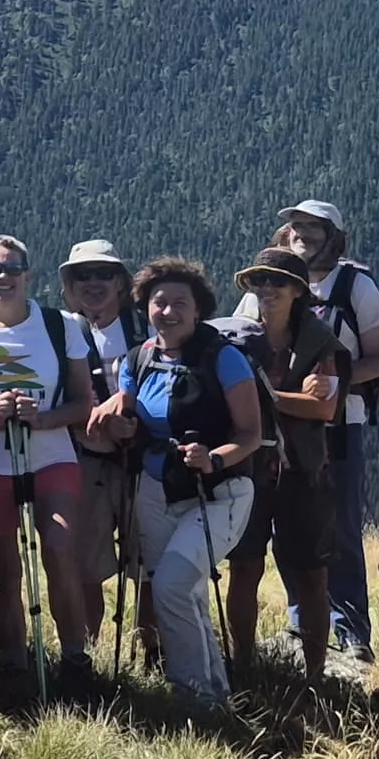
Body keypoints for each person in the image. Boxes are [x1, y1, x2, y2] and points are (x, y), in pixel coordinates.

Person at [82, 257, 258, 714]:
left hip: (219, 493)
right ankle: (214, 694)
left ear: (198, 310)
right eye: (160, 302)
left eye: (181, 303)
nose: (169, 311)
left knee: (172, 588)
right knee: (186, 592)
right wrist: (121, 424)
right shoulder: (138, 359)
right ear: (146, 307)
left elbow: (250, 435)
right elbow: (129, 419)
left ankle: (192, 696)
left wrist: (213, 458)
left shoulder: (225, 358)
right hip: (155, 489)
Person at [0, 238, 87, 689]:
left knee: (59, 550)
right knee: (5, 574)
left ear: (28, 274)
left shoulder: (62, 326)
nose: (3, 277)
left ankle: (75, 661)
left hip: (51, 456)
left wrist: (42, 418)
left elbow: (83, 402)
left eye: (12, 269)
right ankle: (15, 666)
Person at [278, 200, 379, 660]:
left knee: (339, 528)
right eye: (296, 226)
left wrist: (331, 384)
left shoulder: (355, 286)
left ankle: (351, 636)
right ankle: (302, 626)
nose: (301, 234)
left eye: (312, 227)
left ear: (334, 236)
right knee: (287, 529)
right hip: (285, 425)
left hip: (340, 423)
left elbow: (378, 360)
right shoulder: (273, 280)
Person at [222, 252, 343, 682]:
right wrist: (294, 400)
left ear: (297, 291)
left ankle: (314, 675)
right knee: (244, 567)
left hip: (302, 472)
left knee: (311, 575)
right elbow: (310, 405)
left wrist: (266, 397)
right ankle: (243, 664)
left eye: (277, 282)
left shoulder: (318, 340)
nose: (267, 289)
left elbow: (325, 409)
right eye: (260, 281)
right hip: (249, 468)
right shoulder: (235, 338)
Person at [49, 239, 142, 693]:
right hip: (85, 460)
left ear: (122, 283)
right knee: (85, 565)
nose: (92, 283)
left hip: (143, 461)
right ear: (69, 287)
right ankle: (89, 655)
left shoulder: (147, 327)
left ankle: (149, 651)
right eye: (81, 276)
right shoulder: (61, 332)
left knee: (148, 565)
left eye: (103, 274)